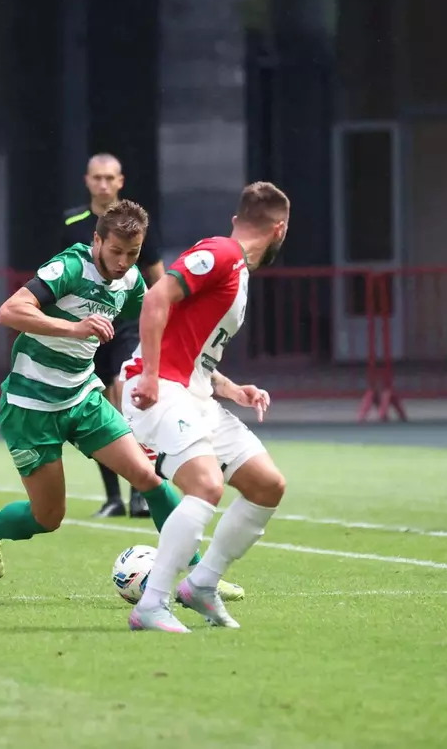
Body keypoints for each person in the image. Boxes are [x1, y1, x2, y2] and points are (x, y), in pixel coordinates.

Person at [0, 199, 243, 602]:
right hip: (30, 406)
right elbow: (9, 311)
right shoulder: (70, 267)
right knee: (48, 516)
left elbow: (164, 336)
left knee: (149, 479)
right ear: (96, 240)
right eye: (115, 251)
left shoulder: (131, 282)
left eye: (133, 253)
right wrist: (75, 328)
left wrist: (220, 380)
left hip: (83, 398)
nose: (123, 262)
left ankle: (201, 579)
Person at [120, 182, 290, 633]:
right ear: (280, 229)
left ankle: (201, 585)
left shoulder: (237, 267)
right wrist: (151, 374)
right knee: (206, 486)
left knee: (267, 485)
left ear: (238, 219)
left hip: (194, 395)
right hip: (158, 390)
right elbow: (156, 297)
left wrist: (231, 388)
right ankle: (151, 604)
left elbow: (194, 348)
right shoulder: (222, 253)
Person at [61, 154, 164, 519]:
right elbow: (61, 275)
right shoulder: (72, 223)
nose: (103, 184)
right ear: (87, 181)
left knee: (125, 397)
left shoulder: (136, 224)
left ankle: (140, 492)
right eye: (97, 178)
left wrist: (164, 320)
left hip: (126, 325)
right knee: (99, 407)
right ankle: (113, 498)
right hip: (88, 329)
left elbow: (158, 278)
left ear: (120, 181)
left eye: (110, 178)